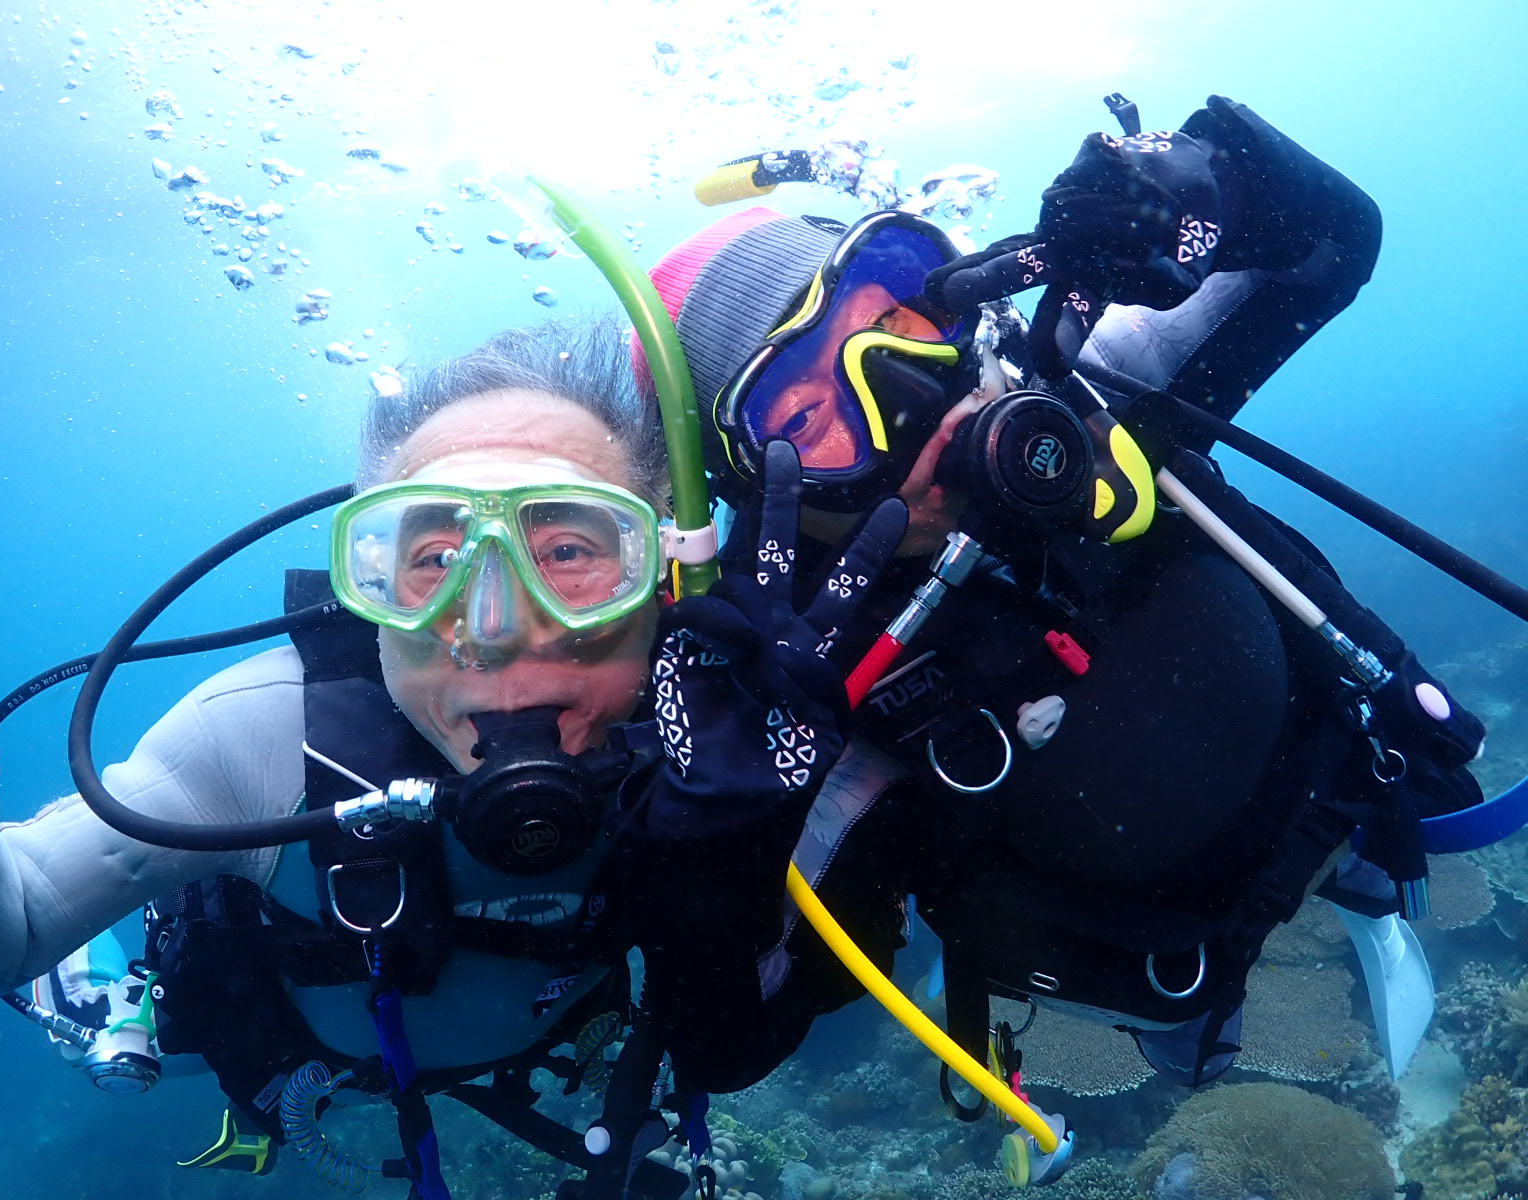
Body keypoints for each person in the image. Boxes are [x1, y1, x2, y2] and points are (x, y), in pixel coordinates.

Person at [628, 93, 1491, 1113]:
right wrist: (715, 843)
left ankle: (1359, 883)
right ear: (743, 482)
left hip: (1344, 780)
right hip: (1162, 958)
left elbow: (1331, 240)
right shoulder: (804, 682)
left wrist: (1194, 185)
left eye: (897, 322)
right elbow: (733, 1044)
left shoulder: (1083, 384)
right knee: (1193, 1040)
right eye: (810, 413)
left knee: (1386, 839)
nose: (907, 396)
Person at [0, 318, 904, 1200]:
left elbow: (728, 1047)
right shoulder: (253, 742)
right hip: (288, 1042)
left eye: (569, 550)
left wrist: (733, 865)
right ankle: (112, 975)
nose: (497, 626)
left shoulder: (726, 747)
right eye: (434, 559)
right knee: (141, 1041)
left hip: (543, 1040)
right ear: (368, 592)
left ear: (660, 579)